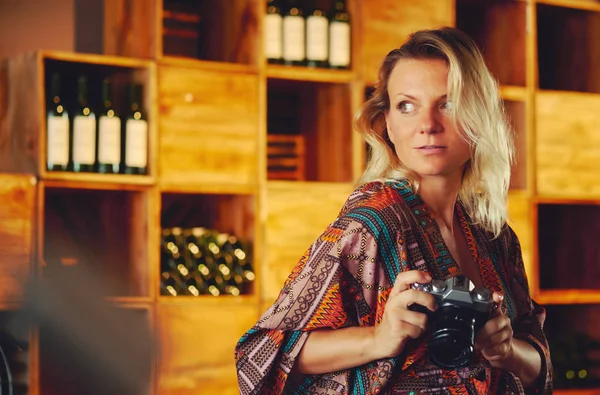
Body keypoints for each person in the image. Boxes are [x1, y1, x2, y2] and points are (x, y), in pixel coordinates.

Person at [235, 27, 552, 394]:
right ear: (386, 123)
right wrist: (379, 338)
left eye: (447, 104)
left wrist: (507, 351)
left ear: (478, 114)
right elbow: (260, 353)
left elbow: (539, 366)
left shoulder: (493, 233)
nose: (427, 126)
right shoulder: (372, 224)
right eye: (407, 105)